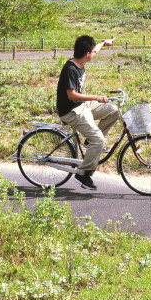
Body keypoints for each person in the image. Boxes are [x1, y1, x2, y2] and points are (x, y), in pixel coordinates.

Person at [56, 35, 117, 190]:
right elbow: (72, 95)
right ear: (86, 54)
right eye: (93, 52)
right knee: (99, 140)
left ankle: (90, 142)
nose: (94, 53)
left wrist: (104, 42)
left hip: (82, 105)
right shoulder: (71, 69)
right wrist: (96, 97)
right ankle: (83, 174)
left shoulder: (81, 59)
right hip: (71, 110)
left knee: (113, 110)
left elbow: (95, 49)